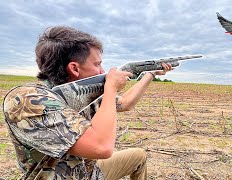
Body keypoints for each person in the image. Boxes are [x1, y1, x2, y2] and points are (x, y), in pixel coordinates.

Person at [2, 26, 173, 179]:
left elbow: (125, 103)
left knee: (138, 157)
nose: (103, 71)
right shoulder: (27, 100)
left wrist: (151, 74)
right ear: (74, 68)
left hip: (89, 171)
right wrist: (111, 88)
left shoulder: (81, 94)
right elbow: (101, 147)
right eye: (98, 64)